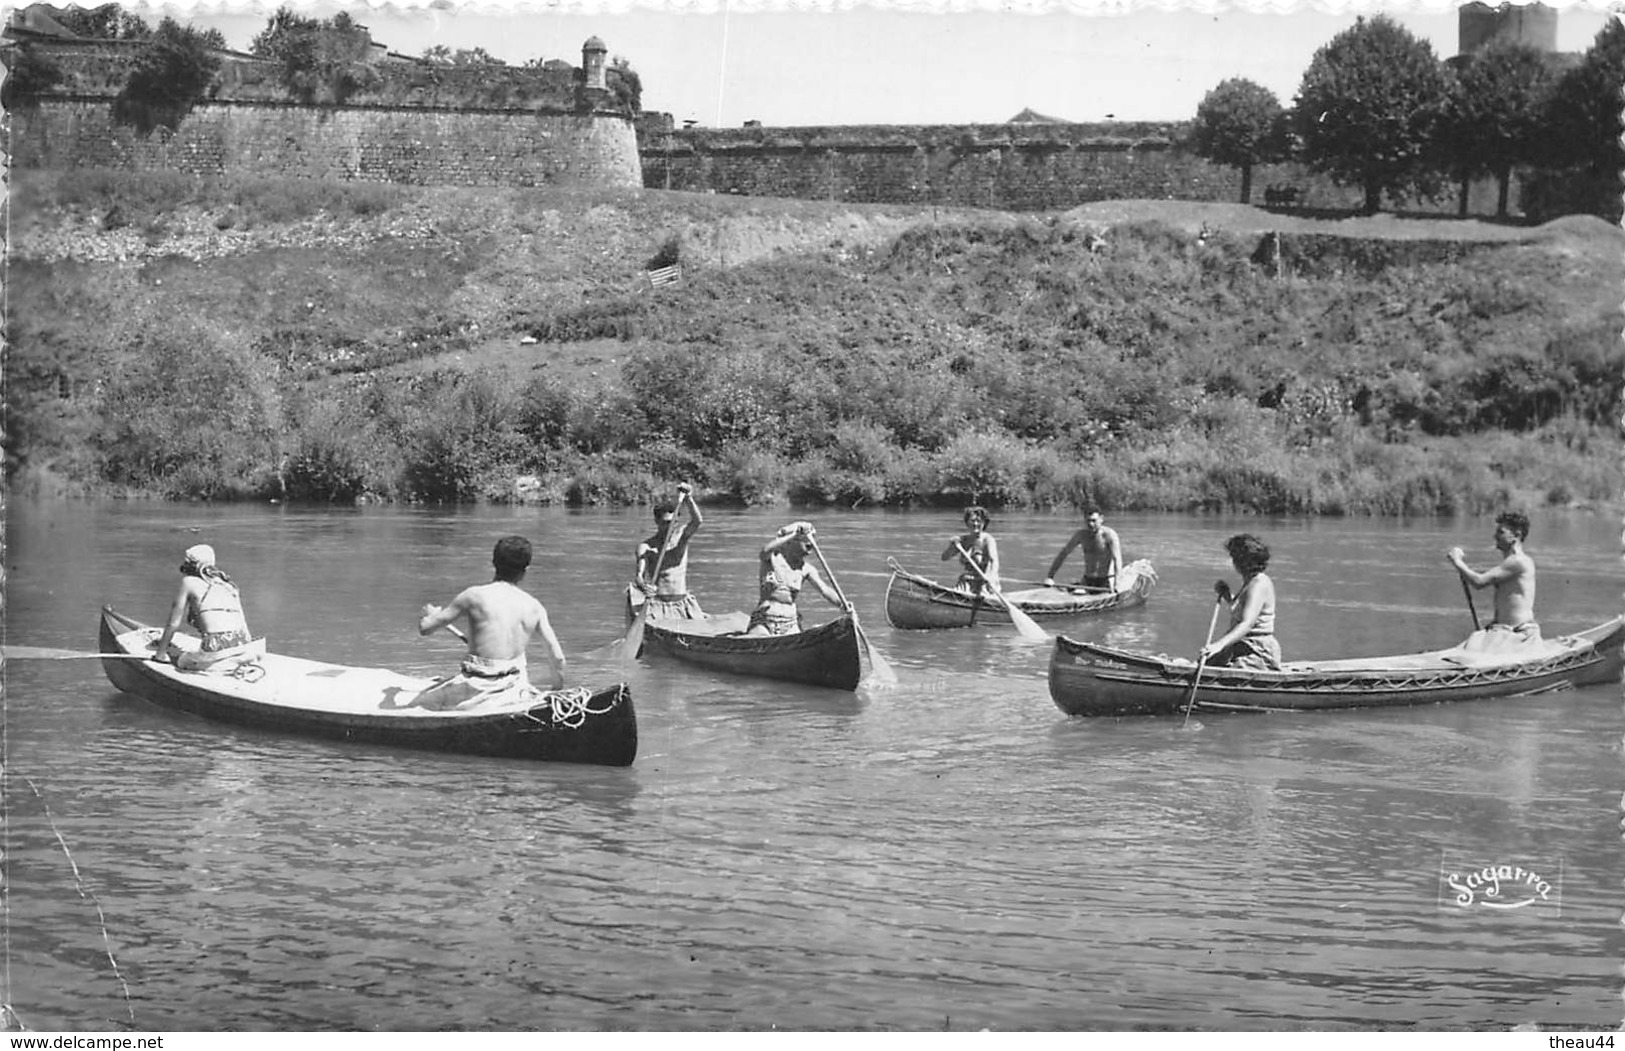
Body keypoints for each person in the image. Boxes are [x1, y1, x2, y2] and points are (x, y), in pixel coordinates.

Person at [415, 535, 566, 709]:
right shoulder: (534, 607)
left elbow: (425, 629)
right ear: (526, 569)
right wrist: (556, 690)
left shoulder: (472, 596)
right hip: (514, 688)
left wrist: (430, 615)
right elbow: (558, 658)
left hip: (475, 689)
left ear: (493, 562)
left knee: (419, 703)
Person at [1447, 511, 1538, 652]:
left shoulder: (1518, 561)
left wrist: (1457, 561)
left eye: (1501, 532)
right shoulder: (1511, 562)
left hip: (1517, 635)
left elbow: (1479, 582)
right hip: (1502, 631)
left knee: (1468, 655)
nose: (1495, 536)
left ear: (1516, 535)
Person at [152, 544, 254, 668]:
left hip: (216, 647)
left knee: (182, 661)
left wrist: (160, 654)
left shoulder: (188, 582)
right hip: (243, 642)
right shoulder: (229, 585)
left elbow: (173, 624)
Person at [744, 521, 850, 636]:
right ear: (790, 542)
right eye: (805, 540)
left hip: (790, 622)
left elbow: (825, 590)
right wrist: (794, 534)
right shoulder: (772, 559)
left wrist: (842, 603)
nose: (810, 544)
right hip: (764, 621)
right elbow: (765, 551)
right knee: (758, 638)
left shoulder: (807, 569)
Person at [1202, 533, 1281, 670]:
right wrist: (1227, 595)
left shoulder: (1259, 583)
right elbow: (1241, 610)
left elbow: (1247, 624)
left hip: (1257, 651)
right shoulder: (1249, 582)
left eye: (1234, 557)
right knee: (1205, 662)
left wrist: (1219, 645)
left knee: (1225, 670)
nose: (1232, 562)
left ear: (1242, 561)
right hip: (1241, 646)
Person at [633, 483, 705, 619]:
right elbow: (639, 576)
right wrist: (644, 587)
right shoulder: (646, 547)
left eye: (673, 522)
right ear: (656, 521)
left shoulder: (682, 537)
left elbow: (697, 521)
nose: (670, 527)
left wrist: (688, 498)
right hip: (659, 603)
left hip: (682, 602)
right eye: (665, 522)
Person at [1044, 509, 1122, 592]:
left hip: (1105, 581)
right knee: (1074, 591)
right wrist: (1050, 577)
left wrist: (1117, 583)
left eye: (1094, 521)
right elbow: (1063, 554)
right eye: (1088, 521)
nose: (1091, 524)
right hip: (1087, 580)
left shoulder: (1109, 535)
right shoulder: (1081, 535)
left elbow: (1117, 559)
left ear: (1101, 519)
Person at [942, 506, 1000, 593]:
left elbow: (993, 562)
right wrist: (952, 546)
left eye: (979, 521)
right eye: (972, 521)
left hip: (984, 583)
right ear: (967, 523)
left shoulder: (988, 540)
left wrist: (990, 578)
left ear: (984, 523)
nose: (975, 524)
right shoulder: (962, 541)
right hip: (966, 583)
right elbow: (944, 558)